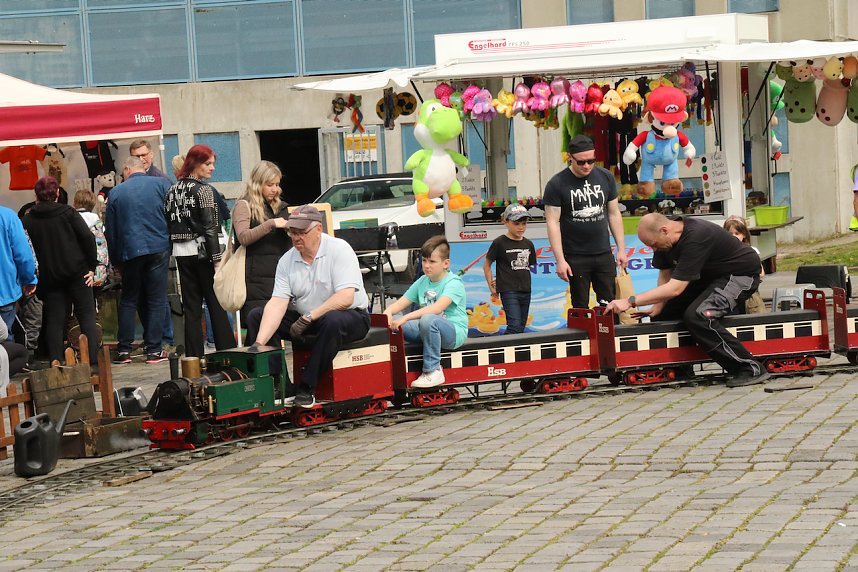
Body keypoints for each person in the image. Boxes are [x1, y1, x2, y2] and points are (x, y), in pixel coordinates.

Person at [604, 213, 768, 388]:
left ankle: (749, 367)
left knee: (699, 316)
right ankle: (682, 369)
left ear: (664, 230)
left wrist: (630, 301)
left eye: (653, 245)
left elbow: (675, 288)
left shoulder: (697, 236)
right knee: (665, 314)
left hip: (740, 274)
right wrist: (658, 306)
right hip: (709, 277)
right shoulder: (664, 240)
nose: (654, 250)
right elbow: (665, 274)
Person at [246, 205, 370, 408]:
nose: (296, 238)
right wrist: (259, 343)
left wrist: (310, 317)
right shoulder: (287, 260)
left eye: (301, 233)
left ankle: (306, 387)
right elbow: (277, 303)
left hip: (350, 317)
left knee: (332, 320)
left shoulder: (339, 249)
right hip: (309, 318)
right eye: (292, 233)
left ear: (318, 230)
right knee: (257, 316)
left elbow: (346, 298)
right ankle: (281, 385)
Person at [164, 144, 235, 358]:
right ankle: (227, 353)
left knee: (192, 308)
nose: (212, 168)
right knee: (216, 304)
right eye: (208, 163)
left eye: (213, 163)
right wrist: (216, 259)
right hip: (203, 252)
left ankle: (194, 358)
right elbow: (210, 227)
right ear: (195, 163)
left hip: (181, 252)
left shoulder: (172, 189)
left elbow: (168, 221)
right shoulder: (203, 190)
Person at [22, 176, 100, 370]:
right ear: (57, 193)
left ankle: (55, 361)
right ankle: (92, 362)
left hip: (50, 277)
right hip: (78, 273)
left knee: (55, 320)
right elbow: (88, 238)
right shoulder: (68, 213)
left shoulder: (28, 219)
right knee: (86, 317)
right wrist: (92, 267)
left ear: (36, 195)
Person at [544, 134, 628, 308]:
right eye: (581, 162)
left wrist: (621, 249)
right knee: (580, 306)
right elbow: (553, 223)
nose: (587, 166)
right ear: (570, 158)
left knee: (610, 305)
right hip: (576, 255)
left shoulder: (605, 176)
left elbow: (614, 213)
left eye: (591, 161)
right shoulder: (557, 183)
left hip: (603, 252)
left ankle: (610, 335)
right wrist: (560, 259)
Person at [105, 156, 172, 364]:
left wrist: (116, 261)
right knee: (157, 299)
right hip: (159, 247)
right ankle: (154, 349)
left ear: (126, 169)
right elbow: (171, 216)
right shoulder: (162, 185)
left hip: (130, 251)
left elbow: (112, 232)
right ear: (142, 167)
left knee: (129, 300)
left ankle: (124, 350)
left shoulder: (115, 192)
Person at [383, 235, 467, 388]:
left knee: (428, 319)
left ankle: (433, 371)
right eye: (424, 261)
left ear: (446, 263)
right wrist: (387, 313)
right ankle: (390, 369)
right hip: (426, 329)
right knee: (393, 321)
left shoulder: (454, 283)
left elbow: (437, 309)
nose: (427, 266)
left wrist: (406, 317)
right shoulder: (422, 281)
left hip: (453, 333)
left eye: (432, 261)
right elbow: (401, 302)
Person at [231, 160, 291, 325]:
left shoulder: (281, 206)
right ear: (258, 183)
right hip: (255, 277)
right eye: (270, 184)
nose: (275, 189)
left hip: (279, 273)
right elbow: (243, 237)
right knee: (259, 325)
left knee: (280, 325)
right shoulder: (244, 205)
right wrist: (271, 223)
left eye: (277, 184)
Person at [482, 203, 536, 334]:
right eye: (516, 223)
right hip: (508, 290)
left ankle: (515, 353)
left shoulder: (528, 244)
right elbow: (486, 265)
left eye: (524, 223)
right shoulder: (499, 242)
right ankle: (498, 352)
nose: (521, 227)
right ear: (506, 222)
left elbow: (529, 266)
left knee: (521, 327)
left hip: (525, 289)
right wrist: (492, 287)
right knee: (514, 326)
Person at [0, 205, 36, 330]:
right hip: (4, 292)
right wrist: (29, 279)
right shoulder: (7, 216)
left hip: (5, 292)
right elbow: (23, 256)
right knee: (4, 340)